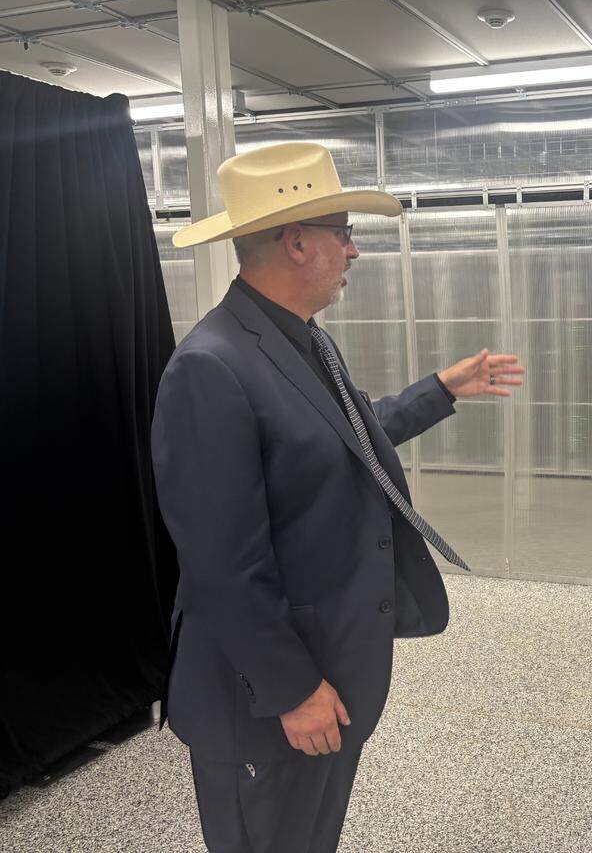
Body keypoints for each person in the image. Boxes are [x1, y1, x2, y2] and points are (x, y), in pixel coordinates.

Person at [151, 141, 524, 852]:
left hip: (330, 672)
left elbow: (349, 436)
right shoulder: (210, 368)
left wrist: (438, 391)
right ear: (296, 242)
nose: (353, 251)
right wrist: (291, 687)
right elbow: (222, 563)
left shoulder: (301, 342)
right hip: (265, 700)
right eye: (343, 233)